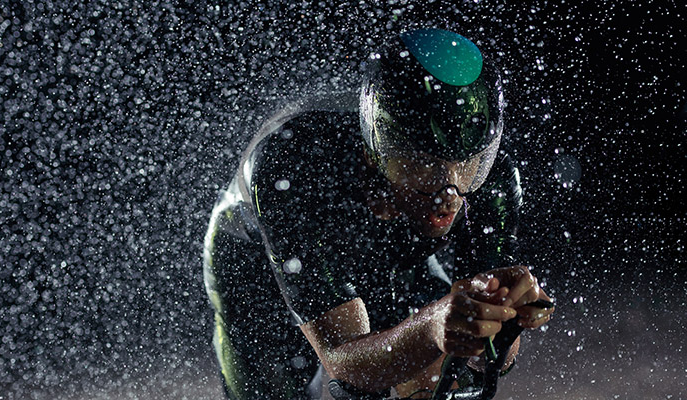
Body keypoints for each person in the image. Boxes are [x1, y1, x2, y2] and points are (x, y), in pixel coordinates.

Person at [203, 28, 554, 400]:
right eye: (424, 165)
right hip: (256, 272)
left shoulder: (492, 176)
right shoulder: (292, 166)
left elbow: (488, 354)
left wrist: (503, 323)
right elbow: (344, 363)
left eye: (468, 164)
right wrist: (433, 328)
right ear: (375, 154)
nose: (449, 194)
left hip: (383, 251)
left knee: (434, 368)